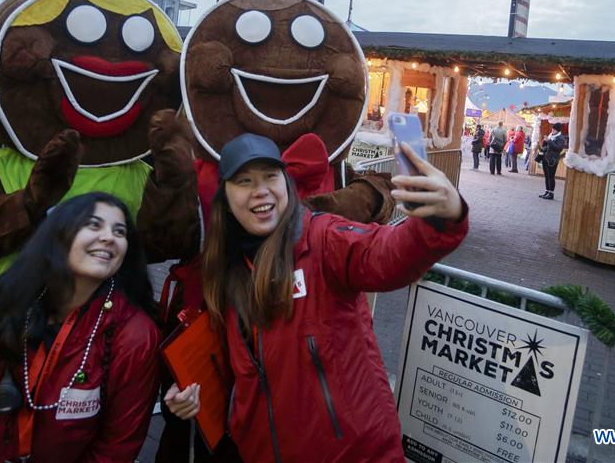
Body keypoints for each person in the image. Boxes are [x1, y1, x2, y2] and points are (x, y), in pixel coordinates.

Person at [165, 133, 468, 463]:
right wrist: (190, 392)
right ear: (225, 195)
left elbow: (387, 254)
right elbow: (228, 365)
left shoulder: (323, 240)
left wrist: (441, 217)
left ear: (287, 185)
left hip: (354, 454)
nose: (260, 189)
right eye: (244, 181)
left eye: (270, 176)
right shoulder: (224, 268)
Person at [0, 192, 161, 462]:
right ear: (57, 236)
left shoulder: (134, 336)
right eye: (93, 224)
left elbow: (116, 447)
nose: (109, 237)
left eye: (120, 231)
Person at [538, 123, 567, 200]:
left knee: (551, 176)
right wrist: (545, 141)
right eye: (552, 129)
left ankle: (551, 193)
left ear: (558, 130)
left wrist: (549, 141)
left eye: (554, 129)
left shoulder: (560, 138)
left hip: (552, 160)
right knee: (547, 176)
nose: (552, 130)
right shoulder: (551, 135)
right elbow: (546, 147)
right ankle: (547, 191)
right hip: (545, 158)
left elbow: (558, 148)